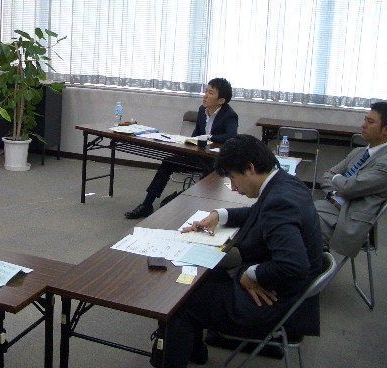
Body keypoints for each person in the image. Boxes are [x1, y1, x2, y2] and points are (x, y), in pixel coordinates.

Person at [156, 135, 323, 368]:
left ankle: (183, 354)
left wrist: (250, 274)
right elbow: (258, 213)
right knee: (202, 275)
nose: (233, 187)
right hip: (289, 292)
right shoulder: (285, 183)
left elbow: (294, 265)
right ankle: (194, 351)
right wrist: (220, 215)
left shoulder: (279, 202)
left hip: (276, 301)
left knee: (178, 302)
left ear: (250, 168)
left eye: (233, 178)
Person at [125, 78, 238, 219]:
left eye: (210, 93)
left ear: (221, 100)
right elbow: (196, 135)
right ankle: (147, 205)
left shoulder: (229, 115)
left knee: (207, 177)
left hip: (214, 161)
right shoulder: (202, 110)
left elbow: (231, 136)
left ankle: (190, 207)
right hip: (198, 156)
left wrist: (209, 137)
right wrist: (187, 143)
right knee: (168, 162)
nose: (205, 95)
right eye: (206, 91)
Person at [316, 101, 387, 257]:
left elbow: (349, 187)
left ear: (385, 131)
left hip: (347, 219)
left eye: (370, 122)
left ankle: (313, 265)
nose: (363, 125)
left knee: (293, 226)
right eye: (365, 120)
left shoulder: (385, 162)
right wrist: (339, 188)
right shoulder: (359, 152)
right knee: (285, 212)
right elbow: (327, 175)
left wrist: (339, 181)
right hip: (329, 205)